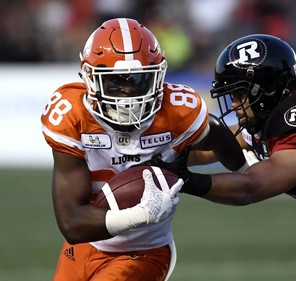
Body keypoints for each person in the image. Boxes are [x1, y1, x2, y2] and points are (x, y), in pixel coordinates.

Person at [153, 34, 296, 280]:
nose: (235, 105)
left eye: (239, 94)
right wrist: (154, 153)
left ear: (269, 89)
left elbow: (250, 187)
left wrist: (185, 179)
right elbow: (218, 150)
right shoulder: (280, 112)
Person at [40, 18, 246, 281]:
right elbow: (71, 223)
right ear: (90, 79)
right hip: (85, 245)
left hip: (144, 250)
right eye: (116, 82)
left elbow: (215, 131)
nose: (128, 93)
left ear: (158, 76)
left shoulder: (178, 110)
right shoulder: (71, 114)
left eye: (139, 81)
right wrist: (140, 214)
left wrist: (246, 167)